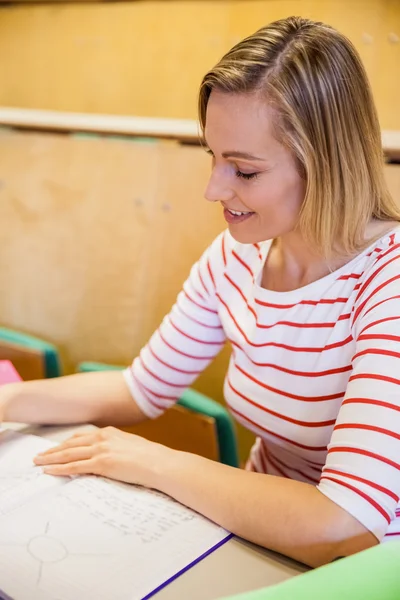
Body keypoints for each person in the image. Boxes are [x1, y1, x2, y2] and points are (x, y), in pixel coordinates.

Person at [1, 16, 400, 568]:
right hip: (254, 537)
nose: (215, 188)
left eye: (245, 170)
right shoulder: (237, 254)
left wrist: (153, 462)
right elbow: (142, 388)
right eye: (213, 156)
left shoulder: (388, 284)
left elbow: (342, 524)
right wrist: (10, 401)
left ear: (325, 164)